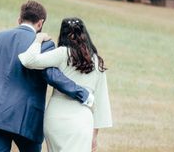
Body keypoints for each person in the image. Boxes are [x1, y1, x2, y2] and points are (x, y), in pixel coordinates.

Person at [0, 1, 93, 152]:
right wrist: (83, 94)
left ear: (19, 19)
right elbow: (53, 77)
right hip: (28, 119)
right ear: (40, 23)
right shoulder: (45, 45)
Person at [19, 17, 112, 152]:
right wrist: (94, 135)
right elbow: (101, 102)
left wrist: (38, 40)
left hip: (55, 118)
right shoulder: (97, 61)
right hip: (82, 119)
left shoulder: (62, 53)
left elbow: (28, 60)